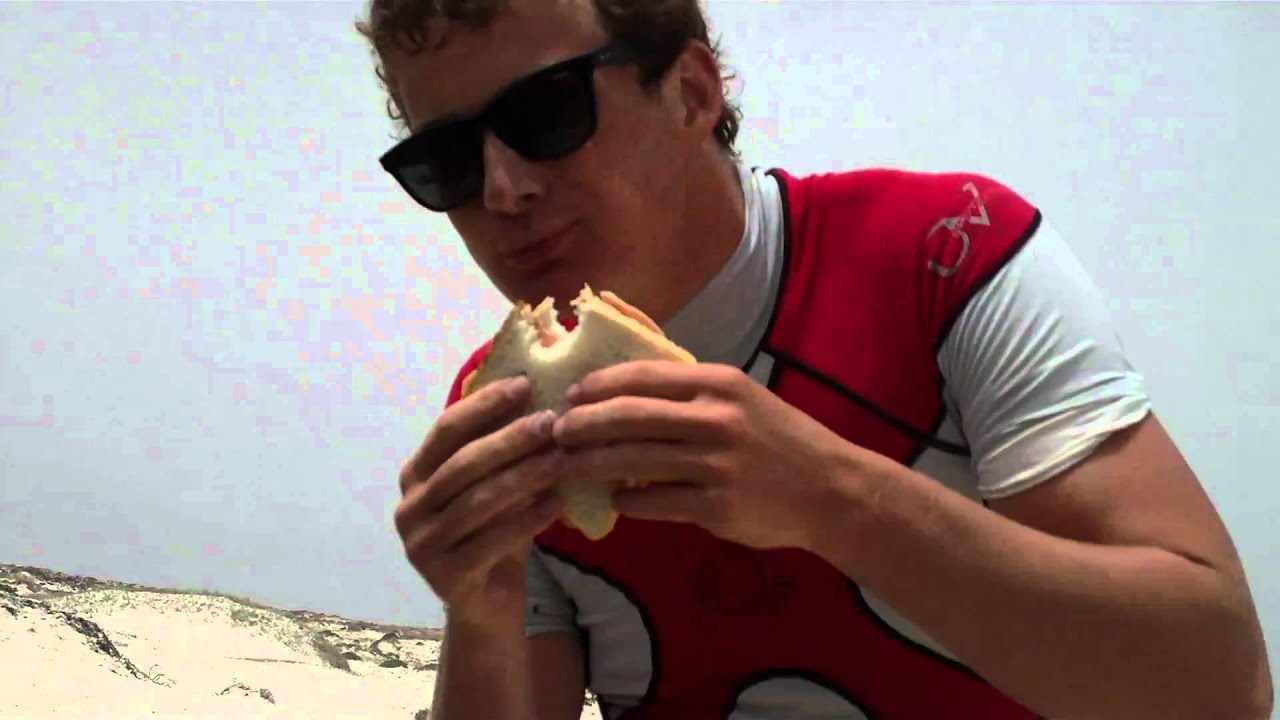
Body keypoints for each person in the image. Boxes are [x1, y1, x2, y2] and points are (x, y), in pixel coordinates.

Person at [356, 1, 1273, 718]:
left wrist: (832, 497)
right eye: (447, 163)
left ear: (691, 92)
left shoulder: (946, 255)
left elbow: (1217, 688)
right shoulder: (503, 409)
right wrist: (482, 611)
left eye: (544, 113)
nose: (504, 189)